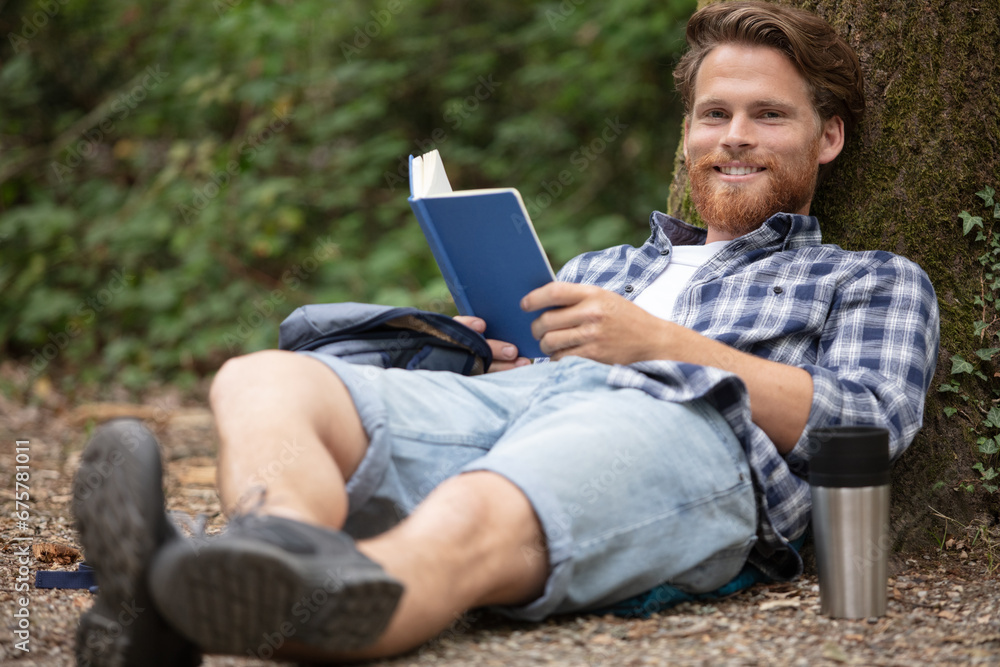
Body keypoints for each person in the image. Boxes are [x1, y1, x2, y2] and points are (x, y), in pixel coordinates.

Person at [72, 1, 940, 665]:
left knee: (477, 504)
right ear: (686, 134)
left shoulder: (872, 280)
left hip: (689, 437)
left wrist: (660, 344)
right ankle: (271, 544)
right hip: (522, 407)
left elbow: (863, 429)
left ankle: (267, 605)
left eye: (768, 115)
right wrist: (482, 356)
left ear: (827, 137)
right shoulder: (601, 268)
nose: (734, 137)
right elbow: (522, 391)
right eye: (714, 115)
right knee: (264, 378)